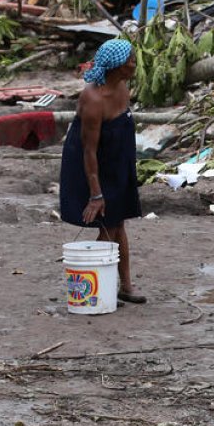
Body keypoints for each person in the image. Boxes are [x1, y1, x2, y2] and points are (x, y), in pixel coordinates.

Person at [59, 39, 145, 304]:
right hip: (92, 165)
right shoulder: (93, 99)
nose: (134, 64)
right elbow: (88, 150)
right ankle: (95, 282)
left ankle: (124, 286)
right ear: (118, 66)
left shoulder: (122, 88)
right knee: (111, 225)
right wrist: (96, 194)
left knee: (118, 222)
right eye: (131, 61)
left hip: (117, 162)